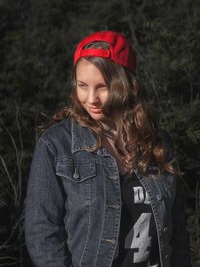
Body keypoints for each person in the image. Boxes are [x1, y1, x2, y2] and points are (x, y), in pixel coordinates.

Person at [25, 31, 191, 267]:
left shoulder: (157, 143)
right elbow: (41, 233)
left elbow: (177, 232)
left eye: (102, 87)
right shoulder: (56, 145)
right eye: (82, 86)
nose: (91, 98)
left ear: (126, 84)